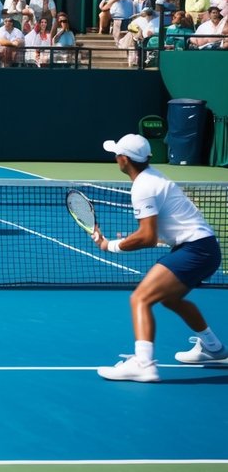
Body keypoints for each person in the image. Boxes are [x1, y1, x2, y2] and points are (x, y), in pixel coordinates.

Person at [90, 134, 225, 382]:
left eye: (116, 154)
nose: (115, 158)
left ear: (124, 159)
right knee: (171, 300)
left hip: (195, 250)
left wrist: (111, 245)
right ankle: (214, 349)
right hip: (204, 249)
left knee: (140, 298)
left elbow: (147, 238)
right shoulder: (152, 177)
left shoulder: (143, 186)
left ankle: (143, 364)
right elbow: (162, 231)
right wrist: (130, 238)